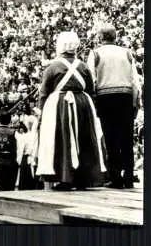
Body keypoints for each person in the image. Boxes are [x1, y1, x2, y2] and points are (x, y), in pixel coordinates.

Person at [35, 31, 107, 191]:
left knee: (62, 140)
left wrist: (41, 114)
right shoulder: (83, 67)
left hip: (59, 106)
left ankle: (65, 178)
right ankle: (83, 178)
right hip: (83, 104)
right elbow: (90, 89)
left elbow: (44, 93)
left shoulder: (52, 67)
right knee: (84, 138)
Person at [87, 24, 142, 189]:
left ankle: (116, 177)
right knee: (126, 138)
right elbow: (134, 80)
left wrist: (94, 100)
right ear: (114, 37)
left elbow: (92, 79)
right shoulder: (126, 52)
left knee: (111, 139)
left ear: (100, 37)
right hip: (125, 97)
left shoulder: (95, 53)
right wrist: (135, 102)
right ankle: (129, 177)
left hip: (106, 98)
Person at [0, 108, 19, 191]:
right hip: (10, 162)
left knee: (1, 188)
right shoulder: (13, 132)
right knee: (10, 188)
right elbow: (18, 148)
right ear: (9, 120)